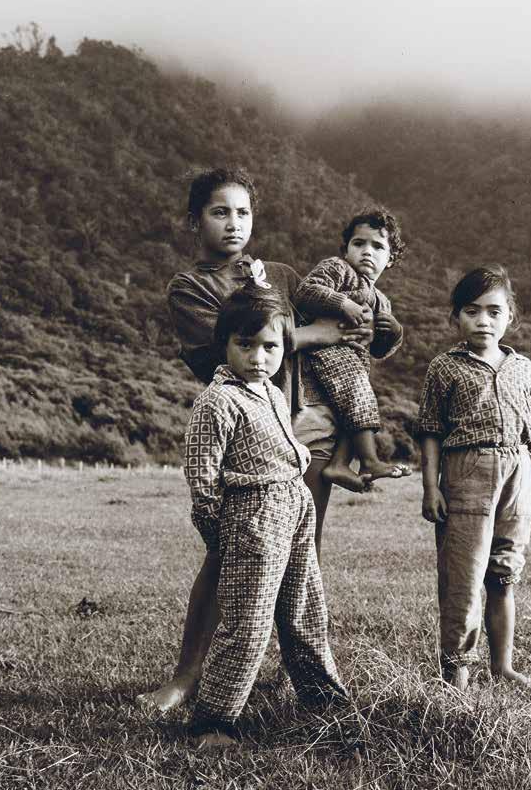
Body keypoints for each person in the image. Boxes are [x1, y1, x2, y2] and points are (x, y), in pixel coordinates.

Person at [136, 167, 369, 714]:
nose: (233, 223)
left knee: (300, 557)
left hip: (301, 428)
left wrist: (363, 309)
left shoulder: (283, 275)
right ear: (194, 221)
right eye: (219, 212)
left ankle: (293, 675)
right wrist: (309, 332)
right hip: (244, 435)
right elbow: (223, 348)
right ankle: (186, 678)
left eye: (242, 212)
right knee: (226, 553)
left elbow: (344, 325)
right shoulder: (190, 287)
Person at [185, 281, 347, 747]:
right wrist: (221, 533)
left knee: (305, 610)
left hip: (294, 508)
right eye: (246, 344)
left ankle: (325, 702)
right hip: (252, 516)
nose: (258, 357)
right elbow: (202, 477)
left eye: (270, 346)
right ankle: (214, 721)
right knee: (249, 622)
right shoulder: (218, 400)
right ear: (225, 343)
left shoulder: (272, 393)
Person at [415, 265, 531, 691]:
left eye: (494, 311)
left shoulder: (523, 368)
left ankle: (503, 666)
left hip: (519, 473)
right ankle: (456, 675)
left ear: (510, 316)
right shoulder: (445, 368)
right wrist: (430, 486)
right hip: (467, 472)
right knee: (463, 578)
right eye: (472, 311)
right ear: (456, 316)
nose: (483, 321)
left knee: (504, 571)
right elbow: (430, 431)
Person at [293, 208, 411, 486]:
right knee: (359, 398)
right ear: (346, 249)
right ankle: (369, 460)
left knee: (359, 405)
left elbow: (379, 350)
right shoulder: (338, 268)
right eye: (359, 243)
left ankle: (339, 464)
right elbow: (306, 291)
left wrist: (394, 332)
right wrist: (343, 304)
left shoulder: (382, 301)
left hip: (355, 364)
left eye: (378, 246)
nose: (367, 251)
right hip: (324, 352)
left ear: (390, 259)